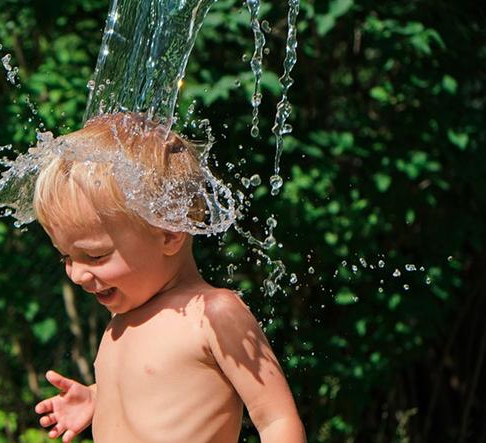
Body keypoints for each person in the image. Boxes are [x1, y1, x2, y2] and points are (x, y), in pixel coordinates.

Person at [31, 112, 305, 443]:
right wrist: (96, 397)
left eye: (95, 256)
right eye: (66, 257)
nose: (76, 274)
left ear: (169, 232)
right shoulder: (122, 321)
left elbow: (277, 419)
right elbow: (154, 392)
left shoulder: (213, 314)